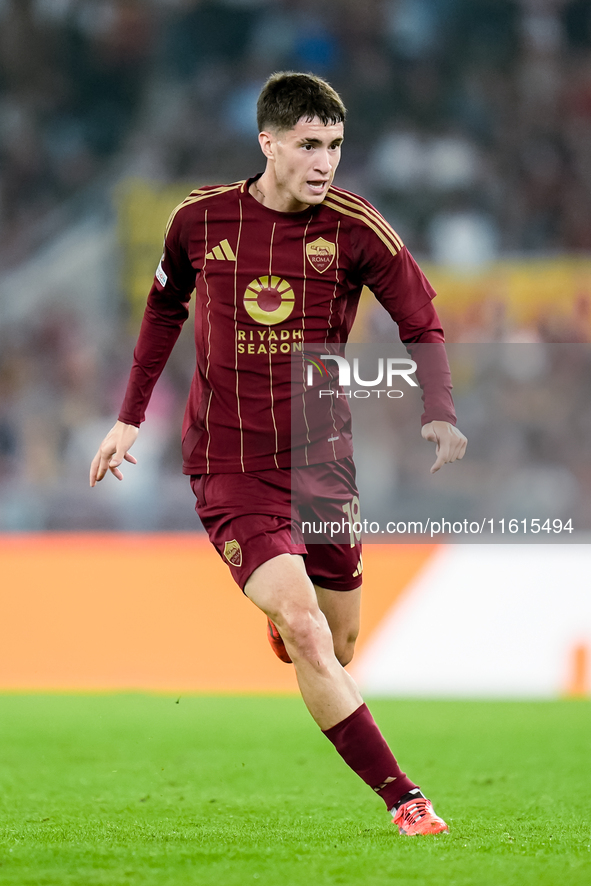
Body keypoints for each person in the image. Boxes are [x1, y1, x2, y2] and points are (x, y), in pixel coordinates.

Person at [90, 72, 467, 837]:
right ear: (268, 143)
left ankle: (290, 614)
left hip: (322, 464)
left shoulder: (357, 229)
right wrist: (129, 418)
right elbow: (164, 305)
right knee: (304, 628)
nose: (324, 160)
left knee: (340, 641)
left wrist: (438, 413)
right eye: (307, 145)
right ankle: (405, 798)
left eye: (333, 144)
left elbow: (421, 323)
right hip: (230, 464)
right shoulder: (199, 221)